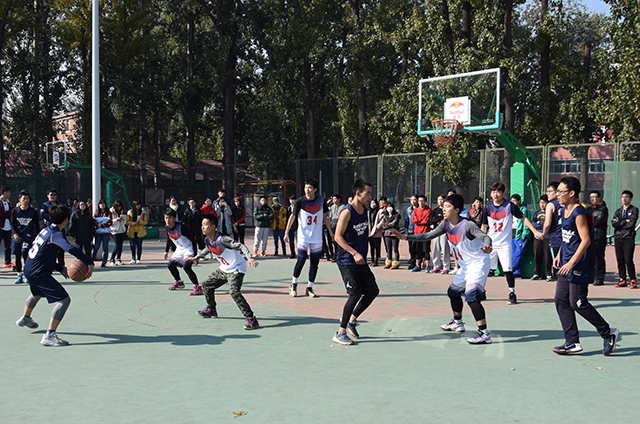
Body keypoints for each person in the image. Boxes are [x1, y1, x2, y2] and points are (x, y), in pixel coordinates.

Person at [394, 194, 494, 345]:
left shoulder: (467, 225)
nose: (443, 209)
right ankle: (458, 323)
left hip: (478, 263)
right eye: (444, 206)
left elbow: (485, 237)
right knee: (453, 292)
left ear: (457, 210)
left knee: (471, 296)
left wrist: (487, 246)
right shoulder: (446, 224)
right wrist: (405, 237)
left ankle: (484, 334)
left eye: (447, 206)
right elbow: (428, 235)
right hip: (465, 266)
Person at [551, 176, 619, 356]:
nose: (558, 195)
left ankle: (608, 333)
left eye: (561, 191)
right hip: (566, 263)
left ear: (572, 193)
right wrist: (559, 255)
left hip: (579, 264)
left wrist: (571, 262)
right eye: (557, 191)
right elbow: (567, 237)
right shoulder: (563, 211)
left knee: (578, 303)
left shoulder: (579, 213)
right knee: (561, 300)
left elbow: (586, 240)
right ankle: (572, 341)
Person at [15, 204, 94, 346]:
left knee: (37, 293)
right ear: (66, 220)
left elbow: (42, 254)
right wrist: (89, 261)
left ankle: (26, 318)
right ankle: (49, 335)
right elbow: (70, 248)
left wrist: (58, 267)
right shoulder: (56, 234)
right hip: (39, 273)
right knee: (64, 300)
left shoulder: (46, 230)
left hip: (29, 269)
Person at [186, 214, 260, 330]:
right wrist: (196, 258)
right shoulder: (207, 239)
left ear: (213, 227)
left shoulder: (223, 239)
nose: (202, 227)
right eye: (202, 225)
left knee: (234, 292)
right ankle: (211, 309)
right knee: (206, 285)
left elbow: (240, 245)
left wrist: (249, 257)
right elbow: (208, 249)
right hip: (224, 268)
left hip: (236, 268)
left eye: (205, 225)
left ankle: (251, 318)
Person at [332, 179, 379, 345]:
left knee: (373, 290)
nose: (370, 197)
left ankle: (352, 320)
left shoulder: (364, 210)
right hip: (347, 260)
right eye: (368, 193)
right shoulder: (347, 212)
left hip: (360, 260)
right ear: (358, 193)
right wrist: (354, 252)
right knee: (355, 294)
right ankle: (340, 332)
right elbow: (337, 237)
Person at [481, 182, 540, 305]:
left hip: (504, 244)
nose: (495, 194)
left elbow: (523, 218)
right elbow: (484, 226)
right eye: (493, 192)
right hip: (490, 244)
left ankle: (512, 293)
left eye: (498, 192)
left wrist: (534, 231)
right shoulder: (487, 208)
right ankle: (481, 290)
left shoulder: (509, 206)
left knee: (508, 269)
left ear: (503, 193)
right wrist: (482, 241)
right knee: (484, 268)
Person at [284, 178, 333, 298]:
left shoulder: (321, 200)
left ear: (315, 189)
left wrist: (330, 232)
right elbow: (292, 217)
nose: (307, 190)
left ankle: (309, 287)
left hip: (316, 236)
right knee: (301, 260)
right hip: (303, 236)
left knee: (314, 263)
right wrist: (286, 232)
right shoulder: (300, 201)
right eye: (306, 187)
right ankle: (294, 284)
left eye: (310, 188)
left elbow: (325, 217)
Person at [164, 208, 203, 295]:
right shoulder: (167, 228)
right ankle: (179, 282)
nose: (168, 220)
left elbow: (193, 240)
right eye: (166, 218)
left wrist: (195, 256)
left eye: (170, 218)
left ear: (174, 218)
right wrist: (166, 251)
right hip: (179, 248)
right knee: (170, 265)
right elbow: (169, 239)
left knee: (186, 266)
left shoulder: (182, 227)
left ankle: (197, 287)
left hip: (188, 248)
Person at [11, 190, 40, 284]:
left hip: (28, 236)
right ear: (20, 199)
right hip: (18, 236)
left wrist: (37, 237)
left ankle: (27, 274)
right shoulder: (15, 211)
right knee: (17, 255)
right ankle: (19, 275)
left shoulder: (33, 211)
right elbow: (12, 224)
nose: (25, 200)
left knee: (25, 253)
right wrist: (14, 234)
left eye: (27, 199)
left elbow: (37, 225)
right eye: (24, 198)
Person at [612, 190, 638, 288]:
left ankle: (632, 279)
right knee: (620, 259)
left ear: (631, 199)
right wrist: (624, 222)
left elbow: (631, 224)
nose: (624, 199)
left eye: (626, 197)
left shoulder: (634, 210)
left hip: (628, 237)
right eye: (623, 197)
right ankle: (622, 279)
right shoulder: (618, 211)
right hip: (618, 237)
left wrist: (620, 223)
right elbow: (614, 223)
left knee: (628, 259)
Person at [540, 182, 563, 281]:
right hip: (568, 238)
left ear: (557, 192)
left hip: (556, 238)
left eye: (550, 191)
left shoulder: (551, 205)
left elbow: (547, 224)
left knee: (558, 265)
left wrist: (543, 234)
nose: (548, 194)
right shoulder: (567, 203)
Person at [40, 189, 65, 267]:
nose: (53, 196)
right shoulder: (44, 205)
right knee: (50, 248)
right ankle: (50, 264)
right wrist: (53, 218)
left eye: (54, 195)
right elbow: (43, 214)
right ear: (48, 196)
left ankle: (61, 264)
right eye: (51, 195)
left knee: (61, 247)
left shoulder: (59, 205)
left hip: (59, 229)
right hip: (49, 229)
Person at [510, 194, 532, 278]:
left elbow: (526, 222)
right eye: (512, 201)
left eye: (515, 201)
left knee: (518, 253)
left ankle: (511, 268)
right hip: (512, 234)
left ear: (519, 201)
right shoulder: (510, 209)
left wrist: (524, 234)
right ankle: (517, 272)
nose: (513, 203)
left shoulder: (524, 210)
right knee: (513, 253)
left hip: (520, 234)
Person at [589, 190, 608, 286]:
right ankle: (592, 276)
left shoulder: (603, 209)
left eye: (594, 197)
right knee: (591, 257)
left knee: (598, 257)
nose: (592, 199)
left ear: (599, 198)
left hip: (599, 236)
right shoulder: (590, 208)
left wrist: (588, 223)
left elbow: (597, 222)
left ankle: (600, 278)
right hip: (590, 236)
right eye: (591, 197)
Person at [531, 195, 552, 281]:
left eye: (544, 203)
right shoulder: (537, 213)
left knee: (547, 256)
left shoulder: (550, 213)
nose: (542, 205)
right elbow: (533, 223)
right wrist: (540, 224)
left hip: (547, 237)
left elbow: (549, 224)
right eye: (541, 203)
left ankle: (549, 274)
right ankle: (537, 273)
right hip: (538, 237)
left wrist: (541, 223)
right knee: (537, 255)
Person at [428, 194, 450, 274]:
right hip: (436, 231)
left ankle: (446, 267)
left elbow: (446, 219)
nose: (440, 201)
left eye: (441, 199)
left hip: (444, 231)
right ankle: (436, 266)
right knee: (435, 249)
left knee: (445, 249)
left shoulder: (447, 210)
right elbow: (431, 220)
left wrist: (439, 221)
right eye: (439, 199)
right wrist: (438, 221)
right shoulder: (435, 210)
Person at [411, 195, 431, 271]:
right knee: (417, 250)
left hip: (425, 233)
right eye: (419, 201)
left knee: (426, 250)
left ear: (425, 201)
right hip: (417, 233)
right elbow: (413, 220)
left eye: (422, 201)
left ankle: (427, 266)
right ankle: (418, 265)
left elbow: (426, 221)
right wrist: (421, 219)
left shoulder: (428, 210)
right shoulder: (415, 210)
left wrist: (418, 219)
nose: (421, 202)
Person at [93, 199, 112, 268]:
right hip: (98, 232)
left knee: (105, 247)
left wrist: (102, 225)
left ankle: (104, 262)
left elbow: (110, 222)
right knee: (96, 246)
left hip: (106, 232)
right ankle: (91, 260)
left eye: (103, 203)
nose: (102, 205)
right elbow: (93, 220)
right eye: (100, 204)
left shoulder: (108, 213)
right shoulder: (96, 212)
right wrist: (97, 225)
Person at [382, 202, 401, 269]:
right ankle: (388, 262)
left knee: (395, 249)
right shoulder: (385, 215)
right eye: (388, 207)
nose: (389, 208)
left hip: (395, 234)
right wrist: (388, 225)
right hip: (387, 234)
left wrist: (387, 224)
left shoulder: (396, 215)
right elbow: (383, 224)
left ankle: (396, 262)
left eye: (390, 207)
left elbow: (394, 223)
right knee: (388, 249)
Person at [327, 194, 345, 261]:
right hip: (332, 225)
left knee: (338, 241)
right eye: (333, 199)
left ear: (339, 199)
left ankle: (339, 255)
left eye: (335, 199)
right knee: (333, 241)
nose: (334, 200)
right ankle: (334, 255)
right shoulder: (332, 207)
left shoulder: (343, 207)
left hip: (339, 225)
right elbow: (330, 217)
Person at [109, 200, 127, 266]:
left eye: (120, 206)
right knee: (117, 245)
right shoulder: (111, 211)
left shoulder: (122, 211)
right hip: (115, 230)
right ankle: (112, 259)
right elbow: (110, 221)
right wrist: (116, 219)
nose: (119, 208)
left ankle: (118, 259)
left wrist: (123, 219)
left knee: (120, 245)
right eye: (118, 206)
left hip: (121, 229)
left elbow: (125, 221)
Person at [0, 186, 14, 268]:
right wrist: (7, 213)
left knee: (8, 246)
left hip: (8, 227)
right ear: (5, 192)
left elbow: (12, 212)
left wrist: (7, 213)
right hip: (0, 227)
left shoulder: (9, 202)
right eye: (9, 192)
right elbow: (1, 214)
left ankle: (7, 262)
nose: (10, 194)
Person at [404, 195, 418, 269]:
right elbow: (406, 220)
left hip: (418, 230)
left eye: (415, 199)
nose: (413, 201)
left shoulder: (419, 209)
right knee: (411, 247)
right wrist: (406, 229)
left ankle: (418, 262)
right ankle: (412, 261)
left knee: (417, 247)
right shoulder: (409, 209)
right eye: (412, 200)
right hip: (410, 230)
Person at [368, 198, 382, 267]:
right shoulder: (369, 212)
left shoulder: (380, 211)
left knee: (377, 247)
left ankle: (376, 261)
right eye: (371, 203)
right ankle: (372, 260)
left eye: (374, 203)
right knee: (371, 247)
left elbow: (382, 221)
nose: (372, 204)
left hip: (377, 231)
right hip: (370, 232)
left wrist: (377, 227)